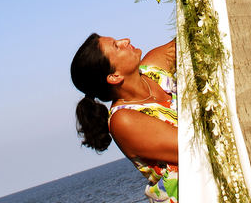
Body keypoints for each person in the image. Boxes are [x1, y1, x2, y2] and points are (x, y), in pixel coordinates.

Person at [71, 33, 178, 202]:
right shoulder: (123, 120)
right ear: (114, 76)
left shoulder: (153, 68)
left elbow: (191, 35)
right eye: (116, 46)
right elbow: (189, 146)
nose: (125, 41)